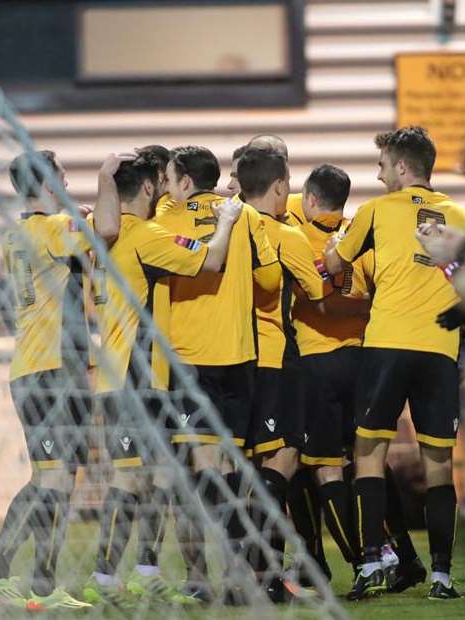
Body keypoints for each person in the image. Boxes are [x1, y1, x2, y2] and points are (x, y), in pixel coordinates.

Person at [82, 151, 243, 608]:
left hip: (130, 373)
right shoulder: (145, 236)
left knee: (154, 479)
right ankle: (103, 576)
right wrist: (227, 218)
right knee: (128, 480)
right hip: (133, 373)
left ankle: (146, 571)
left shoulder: (105, 232)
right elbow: (210, 260)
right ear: (150, 190)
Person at [324, 126, 465, 600]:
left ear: (403, 168)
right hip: (439, 347)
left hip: (387, 343)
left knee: (368, 453)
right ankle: (443, 577)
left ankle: (371, 565)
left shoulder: (375, 211)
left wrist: (340, 256)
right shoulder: (459, 216)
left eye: (383, 165)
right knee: (439, 464)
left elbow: (333, 264)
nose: (379, 172)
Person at [155, 145, 281, 601]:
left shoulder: (165, 220)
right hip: (241, 355)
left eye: (170, 178)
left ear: (185, 181)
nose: (167, 186)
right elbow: (270, 282)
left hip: (190, 360)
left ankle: (197, 578)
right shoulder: (246, 216)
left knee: (194, 475)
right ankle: (235, 576)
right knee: (232, 470)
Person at [0, 150, 93, 611]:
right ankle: (37, 585)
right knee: (56, 479)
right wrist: (98, 189)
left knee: (51, 477)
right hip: (53, 371)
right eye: (63, 176)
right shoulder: (52, 229)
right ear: (49, 185)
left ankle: (4, 573)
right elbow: (104, 231)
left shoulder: (18, 232)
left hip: (32, 369)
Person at [234, 146, 330, 602]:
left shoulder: (228, 226)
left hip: (233, 358)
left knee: (252, 467)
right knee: (284, 460)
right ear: (277, 187)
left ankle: (253, 575)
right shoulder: (286, 235)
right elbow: (315, 292)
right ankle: (264, 574)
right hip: (277, 356)